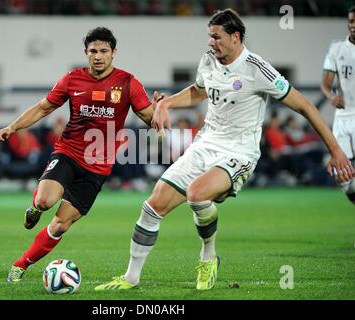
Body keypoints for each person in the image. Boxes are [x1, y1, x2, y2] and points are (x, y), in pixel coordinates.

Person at [95, 8, 354, 292]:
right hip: (206, 143)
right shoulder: (209, 60)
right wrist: (166, 103)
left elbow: (305, 106)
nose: (211, 43)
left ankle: (208, 254)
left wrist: (336, 150)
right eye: (209, 37)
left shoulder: (258, 69)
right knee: (152, 205)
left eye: (216, 37)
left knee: (196, 194)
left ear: (235, 37)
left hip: (239, 151)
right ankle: (130, 278)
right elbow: (199, 90)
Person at [0, 27, 161, 282]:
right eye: (93, 51)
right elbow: (43, 108)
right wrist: (12, 127)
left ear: (114, 53)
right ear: (86, 53)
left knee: (60, 224)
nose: (98, 56)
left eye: (104, 51)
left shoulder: (128, 83)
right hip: (68, 153)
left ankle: (21, 265)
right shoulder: (72, 80)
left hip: (98, 168)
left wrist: (161, 110)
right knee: (44, 202)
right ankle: (35, 207)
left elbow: (150, 118)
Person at [321, 5, 355, 204]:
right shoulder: (337, 49)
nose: (354, 26)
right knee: (342, 177)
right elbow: (325, 85)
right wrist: (331, 96)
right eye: (351, 22)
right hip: (342, 118)